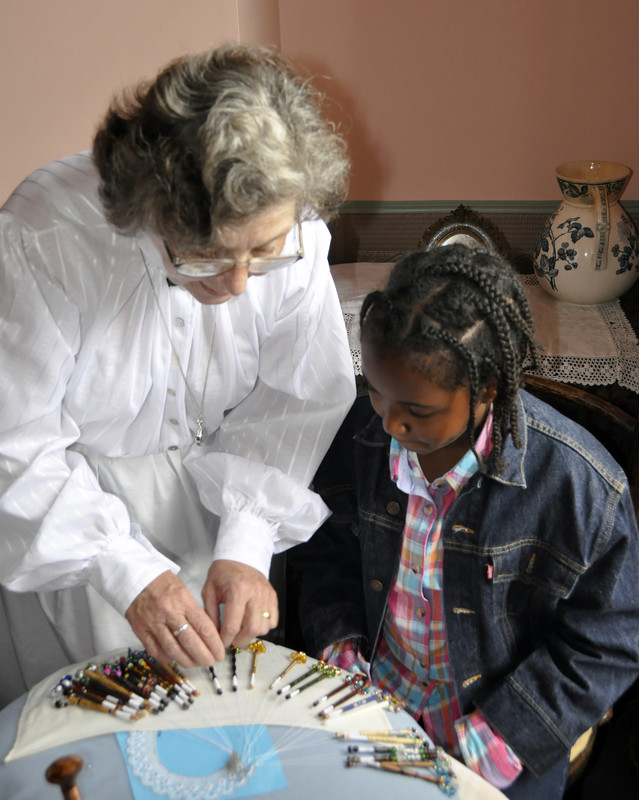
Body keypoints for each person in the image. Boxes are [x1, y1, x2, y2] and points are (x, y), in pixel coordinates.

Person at [0, 43, 355, 705]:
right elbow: (13, 444)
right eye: (207, 254)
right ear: (149, 209)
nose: (239, 283)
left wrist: (247, 541)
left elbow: (294, 400)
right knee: (90, 723)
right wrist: (125, 571)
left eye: (263, 253)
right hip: (70, 527)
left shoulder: (292, 221)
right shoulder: (44, 236)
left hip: (219, 501)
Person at [288, 243, 639, 799]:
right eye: (377, 391)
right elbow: (326, 552)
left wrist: (500, 738)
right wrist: (342, 650)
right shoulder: (360, 435)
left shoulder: (581, 486)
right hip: (375, 700)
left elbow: (611, 640)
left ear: (488, 389)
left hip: (506, 729)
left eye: (419, 410)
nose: (391, 423)